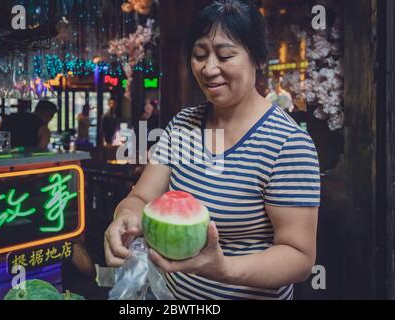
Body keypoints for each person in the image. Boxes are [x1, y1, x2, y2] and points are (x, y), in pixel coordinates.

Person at [104, 0, 320, 300]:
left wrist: (223, 268)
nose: (209, 68)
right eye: (200, 55)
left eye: (225, 55)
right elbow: (141, 196)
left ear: (258, 59)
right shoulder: (183, 125)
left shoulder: (288, 144)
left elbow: (299, 258)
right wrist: (124, 217)